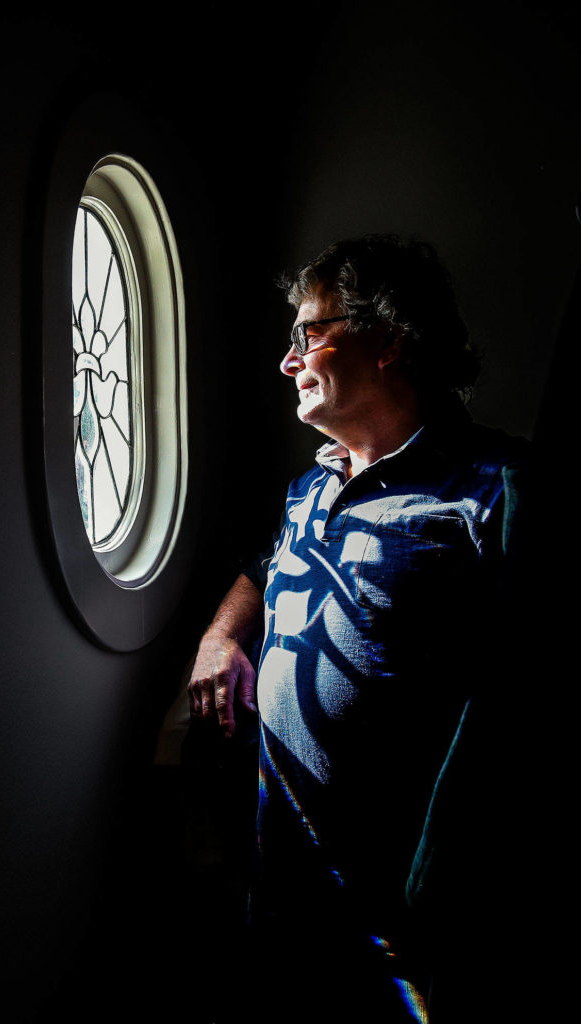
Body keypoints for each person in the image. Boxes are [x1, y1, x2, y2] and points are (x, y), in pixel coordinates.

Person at [187, 235, 528, 1022]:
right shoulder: (310, 486)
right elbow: (264, 567)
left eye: (310, 333)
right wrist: (220, 638)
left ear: (390, 341)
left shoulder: (491, 488)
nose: (288, 359)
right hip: (285, 889)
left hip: (407, 917)